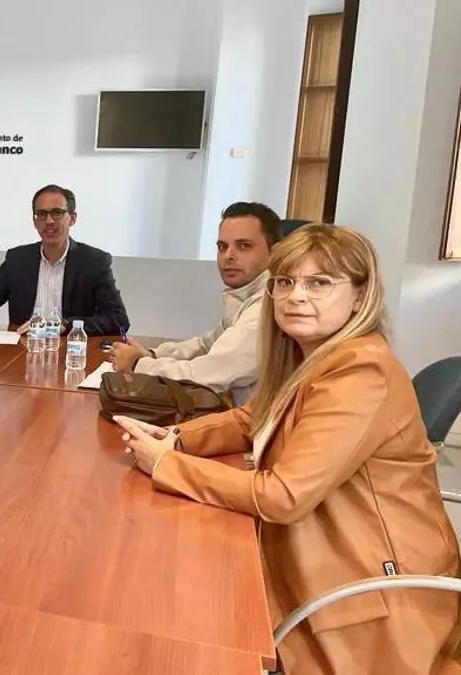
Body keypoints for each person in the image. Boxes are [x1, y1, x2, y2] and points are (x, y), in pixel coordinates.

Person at [116, 224, 461, 674]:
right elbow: (251, 419)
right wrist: (177, 437)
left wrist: (168, 465)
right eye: (285, 282)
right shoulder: (312, 355)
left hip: (369, 596)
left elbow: (284, 495)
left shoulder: (361, 372)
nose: (296, 296)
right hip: (315, 552)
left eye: (319, 283)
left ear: (359, 296)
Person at [109, 202, 280, 405]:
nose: (228, 256)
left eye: (244, 246)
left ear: (274, 252)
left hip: (253, 423)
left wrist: (138, 363)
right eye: (222, 247)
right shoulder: (245, 296)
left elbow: (206, 375)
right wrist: (153, 354)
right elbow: (206, 345)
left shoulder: (266, 307)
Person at [0, 185, 129, 335]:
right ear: (34, 221)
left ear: (72, 218)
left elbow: (118, 319)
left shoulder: (94, 261)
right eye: (41, 214)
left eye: (57, 213)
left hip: (71, 350)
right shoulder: (17, 259)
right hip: (24, 349)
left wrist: (66, 325)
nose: (49, 221)